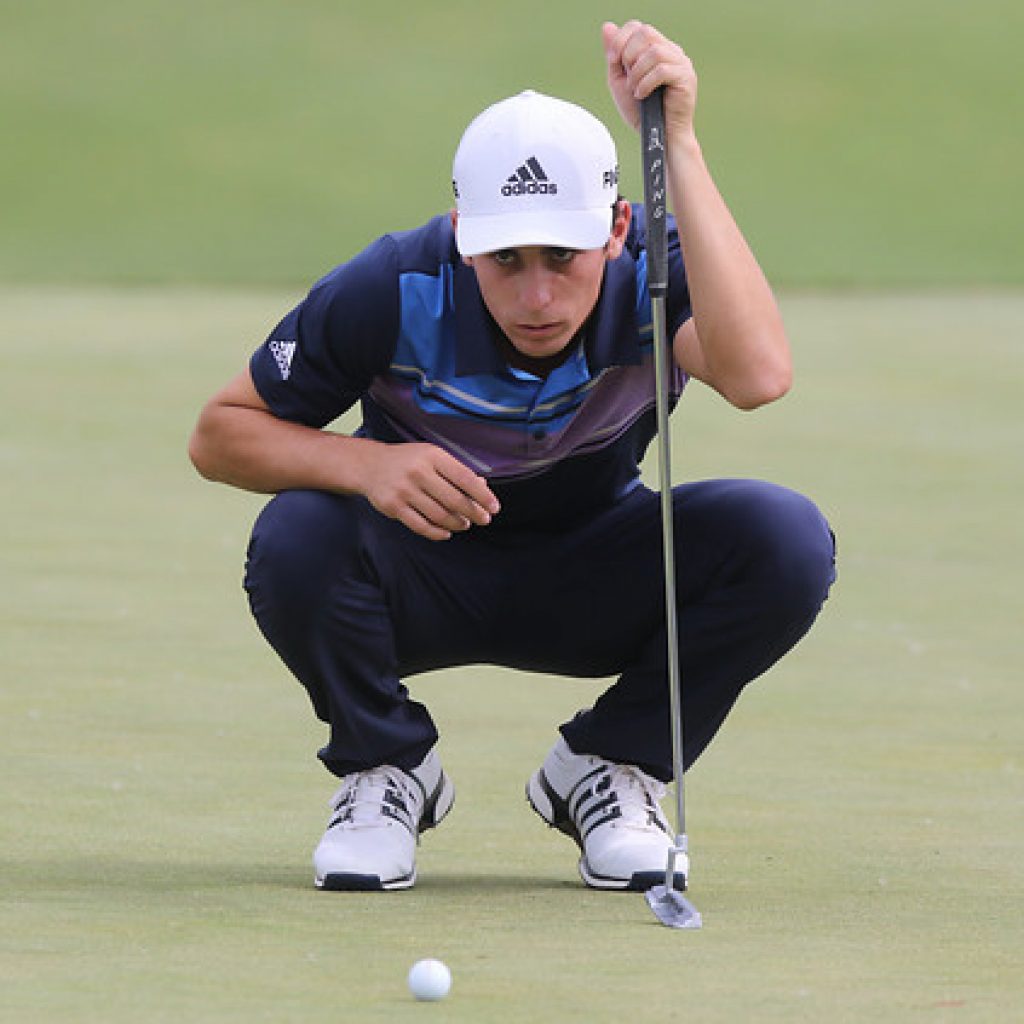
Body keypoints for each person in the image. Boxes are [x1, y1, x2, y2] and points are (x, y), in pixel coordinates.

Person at [188, 20, 836, 893]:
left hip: (594, 570)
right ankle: (388, 771)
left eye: (562, 258)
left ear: (614, 228)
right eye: (505, 259)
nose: (536, 296)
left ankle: (610, 766)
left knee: (782, 538)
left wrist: (676, 142)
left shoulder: (656, 267)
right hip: (423, 573)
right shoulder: (391, 287)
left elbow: (759, 376)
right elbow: (220, 434)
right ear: (462, 234)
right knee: (297, 533)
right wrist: (366, 466)